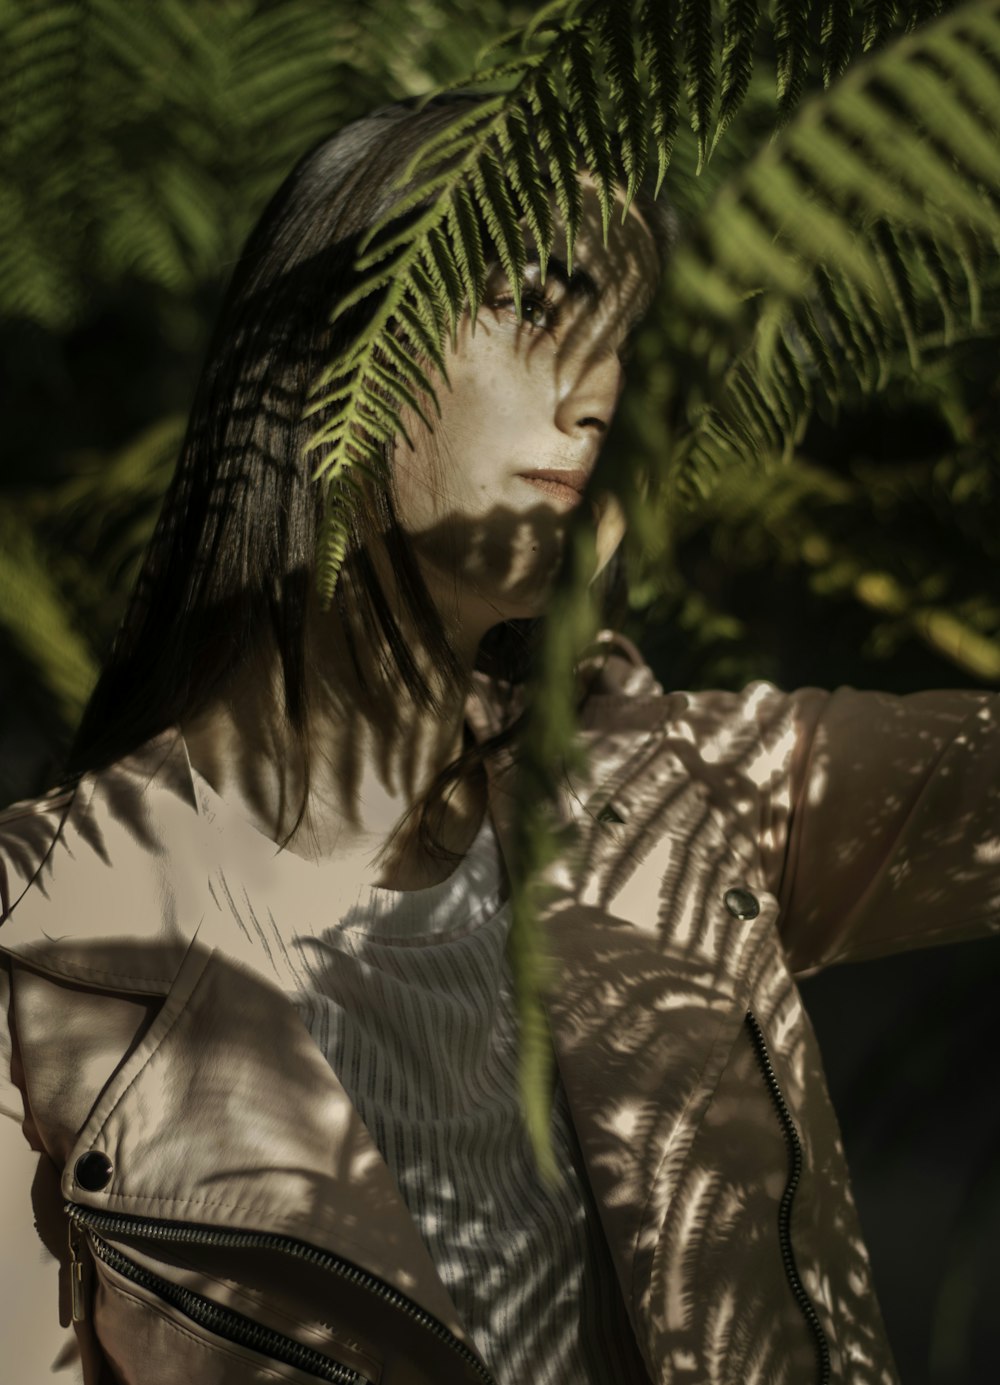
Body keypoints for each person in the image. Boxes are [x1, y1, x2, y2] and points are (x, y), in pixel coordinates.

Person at [0, 91, 997, 1385]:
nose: (607, 392)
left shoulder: (679, 790)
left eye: (643, 346)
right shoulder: (40, 949)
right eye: (538, 299)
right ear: (328, 348)